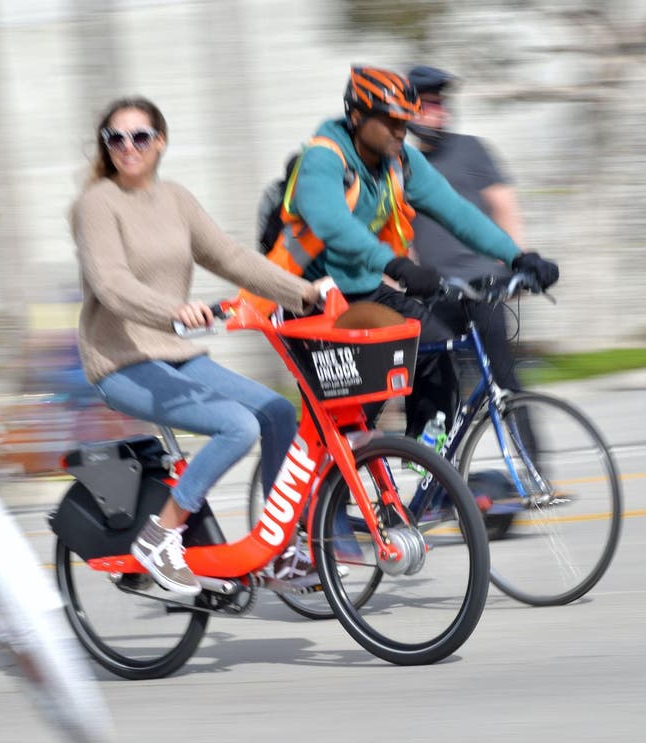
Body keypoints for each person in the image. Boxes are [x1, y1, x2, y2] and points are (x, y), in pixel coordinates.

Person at [71, 96, 332, 596]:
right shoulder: (97, 205)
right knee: (237, 425)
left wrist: (303, 292)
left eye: (140, 136)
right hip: (120, 361)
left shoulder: (176, 199)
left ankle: (279, 548)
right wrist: (171, 310)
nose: (128, 146)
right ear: (108, 147)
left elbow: (230, 257)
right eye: (116, 138)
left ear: (160, 142)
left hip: (174, 354)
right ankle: (160, 535)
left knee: (277, 411)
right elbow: (111, 284)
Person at [292, 65, 560, 439]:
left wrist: (516, 256)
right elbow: (333, 224)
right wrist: (396, 264)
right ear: (356, 117)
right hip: (310, 294)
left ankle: (426, 463)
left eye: (405, 121)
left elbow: (458, 212)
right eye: (390, 122)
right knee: (368, 386)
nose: (401, 131)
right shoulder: (324, 158)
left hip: (363, 286)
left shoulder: (400, 160)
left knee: (434, 345)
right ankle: (340, 459)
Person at [406, 64, 529, 399]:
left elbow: (504, 205)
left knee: (504, 380)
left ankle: (531, 453)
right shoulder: (401, 164)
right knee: (434, 388)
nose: (440, 112)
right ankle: (434, 453)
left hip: (483, 287)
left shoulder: (472, 149)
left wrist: (516, 264)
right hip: (435, 294)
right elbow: (402, 234)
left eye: (441, 104)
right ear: (411, 111)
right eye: (429, 105)